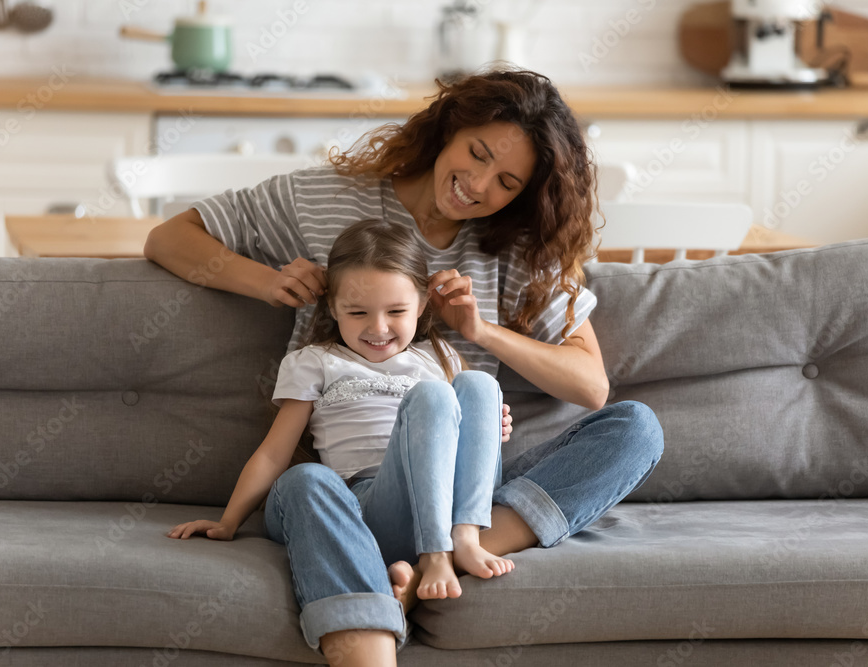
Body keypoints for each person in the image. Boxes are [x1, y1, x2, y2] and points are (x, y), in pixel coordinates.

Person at [145, 67, 664, 667]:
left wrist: (480, 332)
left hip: (467, 495)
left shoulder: (519, 246)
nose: (477, 185)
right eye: (477, 153)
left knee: (636, 428)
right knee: (306, 483)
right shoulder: (323, 199)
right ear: (448, 128)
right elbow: (170, 238)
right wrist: (268, 283)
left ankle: (434, 564)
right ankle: (394, 608)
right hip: (361, 487)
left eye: (506, 181)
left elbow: (591, 385)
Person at [167, 217, 517, 602]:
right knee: (433, 396)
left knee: (480, 384)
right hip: (365, 503)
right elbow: (274, 452)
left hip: (447, 501)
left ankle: (464, 539)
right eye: (358, 313)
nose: (378, 328)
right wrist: (228, 522)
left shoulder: (438, 357)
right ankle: (433, 556)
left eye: (396, 311)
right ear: (333, 307)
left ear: (421, 305)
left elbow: (470, 429)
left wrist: (490, 425)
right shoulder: (317, 361)